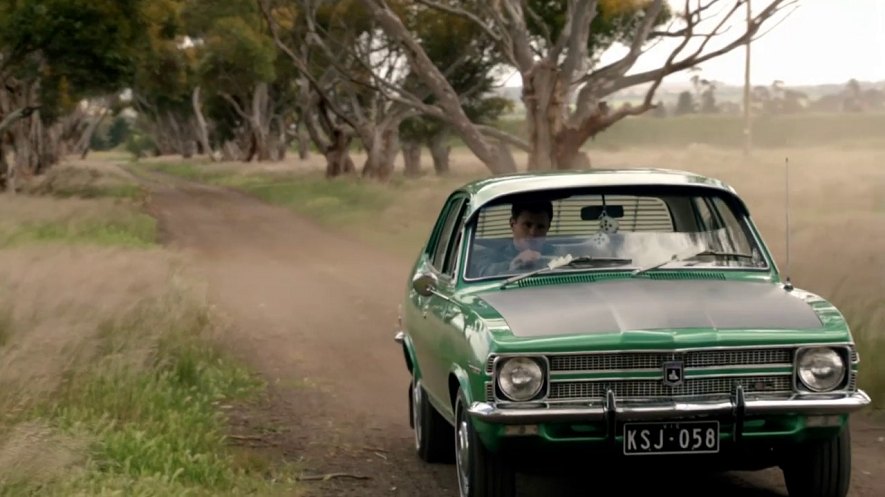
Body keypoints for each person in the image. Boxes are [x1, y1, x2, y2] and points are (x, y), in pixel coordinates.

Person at [471, 198, 554, 276]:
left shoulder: (556, 254)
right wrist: (512, 265)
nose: (533, 232)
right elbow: (483, 273)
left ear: (548, 228)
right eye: (527, 225)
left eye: (540, 227)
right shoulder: (493, 257)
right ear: (512, 224)